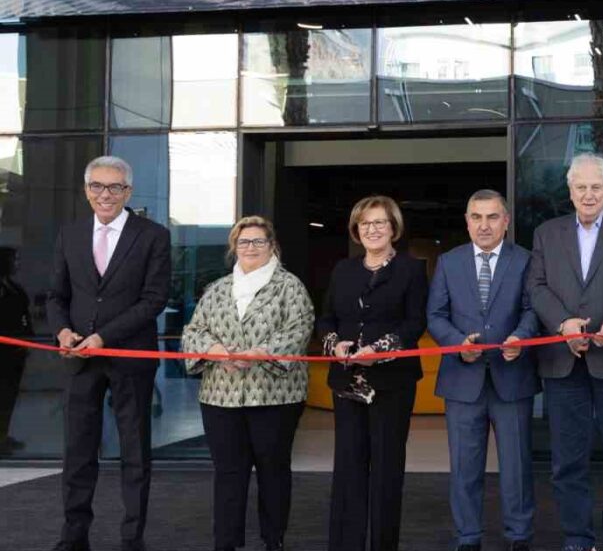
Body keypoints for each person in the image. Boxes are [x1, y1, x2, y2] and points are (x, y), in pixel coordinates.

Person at [47, 156, 171, 551]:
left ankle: (132, 539)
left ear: (128, 192)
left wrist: (102, 337)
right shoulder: (70, 234)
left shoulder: (153, 236)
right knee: (77, 452)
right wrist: (62, 331)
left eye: (115, 187)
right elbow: (56, 296)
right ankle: (73, 537)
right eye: (97, 186)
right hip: (79, 362)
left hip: (131, 358)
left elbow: (154, 299)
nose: (106, 194)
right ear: (87, 190)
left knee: (135, 454)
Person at [527, 152, 603, 551]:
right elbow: (536, 286)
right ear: (570, 191)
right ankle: (577, 538)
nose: (588, 194)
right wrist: (563, 324)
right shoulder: (546, 233)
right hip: (563, 364)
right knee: (567, 462)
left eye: (596, 186)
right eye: (580, 186)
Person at [182, 216, 315, 551]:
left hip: (275, 397)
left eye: (258, 241)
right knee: (228, 473)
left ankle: (273, 540)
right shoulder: (217, 288)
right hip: (220, 396)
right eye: (243, 242)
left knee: (273, 471)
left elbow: (299, 329)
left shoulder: (290, 287)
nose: (250, 247)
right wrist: (214, 350)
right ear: (234, 247)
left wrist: (260, 353)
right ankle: (225, 542)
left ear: (272, 246)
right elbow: (193, 331)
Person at [428, 189, 540, 551]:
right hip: (462, 380)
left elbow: (533, 309)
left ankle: (519, 536)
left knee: (517, 467)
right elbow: (435, 315)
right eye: (476, 217)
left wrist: (521, 337)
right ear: (467, 222)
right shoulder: (449, 262)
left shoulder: (526, 260)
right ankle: (468, 537)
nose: (484, 225)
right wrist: (457, 343)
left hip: (512, 377)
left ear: (506, 221)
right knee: (464, 467)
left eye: (492, 217)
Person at [317, 195, 428, 551]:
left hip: (392, 383)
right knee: (348, 468)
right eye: (365, 223)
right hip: (346, 381)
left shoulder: (411, 270)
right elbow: (326, 318)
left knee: (386, 470)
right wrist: (334, 344)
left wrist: (379, 351)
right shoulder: (343, 270)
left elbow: (415, 323)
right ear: (356, 229)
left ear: (393, 228)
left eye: (380, 222)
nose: (373, 229)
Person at [0, 247, 32, 456]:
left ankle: (2, 436)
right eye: (15, 259)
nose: (18, 263)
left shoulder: (13, 287)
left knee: (9, 397)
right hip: (3, 352)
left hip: (14, 354)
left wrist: (28, 339)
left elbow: (23, 315)